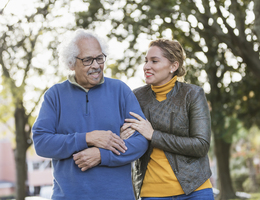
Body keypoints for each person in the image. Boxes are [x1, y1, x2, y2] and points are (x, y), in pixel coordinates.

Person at [32, 29, 148, 200]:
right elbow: (41, 142)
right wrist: (86, 138)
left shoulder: (120, 91)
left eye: (99, 58)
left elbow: (141, 141)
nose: (96, 65)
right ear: (72, 63)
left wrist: (102, 155)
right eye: (87, 60)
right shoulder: (55, 95)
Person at [120, 38, 214, 200]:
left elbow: (201, 145)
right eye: (146, 61)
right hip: (153, 193)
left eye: (154, 61)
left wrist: (153, 135)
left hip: (195, 190)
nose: (146, 66)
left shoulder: (192, 94)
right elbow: (128, 142)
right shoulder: (135, 97)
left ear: (173, 66)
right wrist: (123, 135)